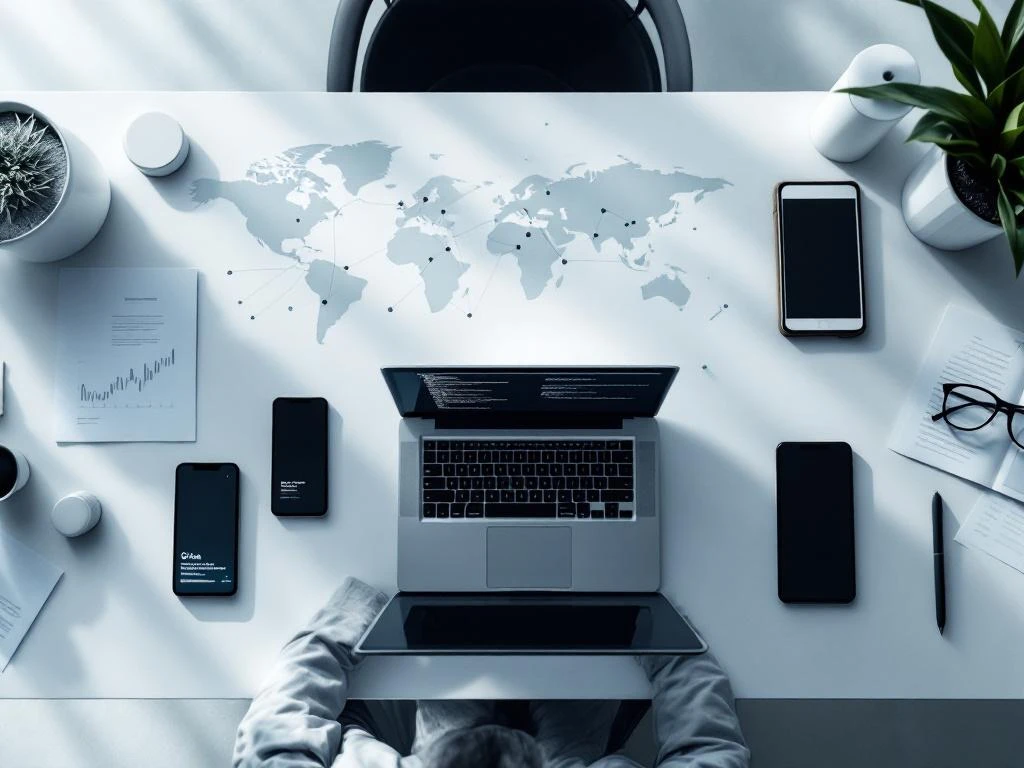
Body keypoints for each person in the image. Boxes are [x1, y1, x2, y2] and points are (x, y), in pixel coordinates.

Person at [234, 578, 750, 768]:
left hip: (443, 739)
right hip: (566, 752)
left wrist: (361, 605)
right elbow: (708, 752)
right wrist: (652, 626)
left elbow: (272, 739)